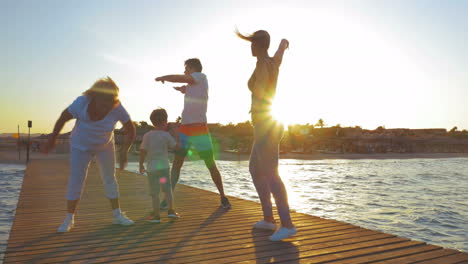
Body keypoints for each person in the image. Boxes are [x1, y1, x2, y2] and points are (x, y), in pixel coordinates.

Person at [43, 76, 136, 232]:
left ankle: (117, 215)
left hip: (105, 146)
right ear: (94, 97)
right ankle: (69, 219)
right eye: (103, 104)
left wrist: (124, 151)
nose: (106, 108)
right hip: (80, 145)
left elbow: (130, 129)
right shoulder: (81, 103)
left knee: (109, 178)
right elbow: (63, 118)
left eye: (109, 104)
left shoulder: (117, 107)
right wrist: (53, 138)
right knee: (76, 179)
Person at [236, 29, 297, 241]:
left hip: (266, 124)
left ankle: (287, 224)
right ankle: (269, 219)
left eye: (253, 44)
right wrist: (283, 43)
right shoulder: (272, 62)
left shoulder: (263, 65)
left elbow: (262, 91)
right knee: (255, 168)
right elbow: (280, 53)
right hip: (267, 124)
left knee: (271, 173)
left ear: (260, 45)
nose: (250, 47)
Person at [155, 58, 231, 209]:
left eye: (186, 69)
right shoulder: (192, 85)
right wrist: (181, 89)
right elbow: (185, 86)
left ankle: (223, 197)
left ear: (192, 68)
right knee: (177, 163)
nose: (184, 71)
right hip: (185, 129)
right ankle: (167, 198)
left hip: (199, 129)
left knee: (210, 164)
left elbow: (182, 78)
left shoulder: (200, 77)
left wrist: (164, 77)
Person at [139, 108, 180, 223]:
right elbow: (176, 147)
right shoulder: (166, 136)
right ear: (165, 121)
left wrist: (141, 165)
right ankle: (171, 211)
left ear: (152, 122)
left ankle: (156, 216)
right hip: (163, 168)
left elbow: (143, 150)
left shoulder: (147, 135)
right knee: (167, 190)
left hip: (152, 169)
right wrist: (177, 135)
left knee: (155, 192)